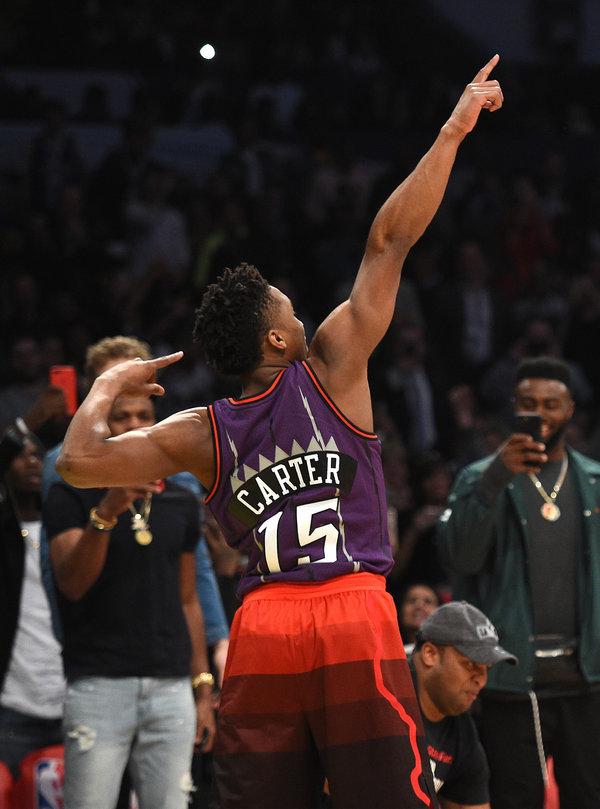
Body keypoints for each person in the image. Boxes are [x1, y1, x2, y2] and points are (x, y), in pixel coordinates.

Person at [56, 56, 504, 809]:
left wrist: (104, 386)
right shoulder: (332, 361)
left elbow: (77, 461)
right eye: (285, 306)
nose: (297, 309)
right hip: (353, 610)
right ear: (274, 342)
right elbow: (389, 240)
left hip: (263, 623)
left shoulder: (202, 431)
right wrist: (454, 131)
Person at [437, 356, 600, 808]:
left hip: (588, 676)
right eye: (529, 403)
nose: (541, 414)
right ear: (514, 407)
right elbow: (458, 556)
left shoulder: (594, 482)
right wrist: (495, 479)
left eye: (552, 404)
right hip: (514, 678)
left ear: (571, 410)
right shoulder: (480, 477)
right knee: (515, 799)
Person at [45, 388, 217, 809]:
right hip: (99, 683)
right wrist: (107, 511)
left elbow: (188, 599)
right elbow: (72, 583)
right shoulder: (69, 493)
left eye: (144, 415)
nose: (135, 426)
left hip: (171, 685)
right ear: (102, 426)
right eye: (122, 417)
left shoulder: (180, 499)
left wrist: (202, 687)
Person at [40, 335, 230, 686]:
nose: (126, 391)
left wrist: (218, 640)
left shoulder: (179, 469)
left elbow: (195, 571)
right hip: (95, 659)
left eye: (133, 379)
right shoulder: (61, 465)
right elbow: (56, 574)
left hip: (165, 659)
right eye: (114, 383)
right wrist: (70, 649)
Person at [0, 424, 64, 778]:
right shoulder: (5, 530)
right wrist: (30, 420)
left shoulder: (68, 529)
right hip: (13, 707)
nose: (33, 463)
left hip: (70, 699)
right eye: (21, 455)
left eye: (38, 455)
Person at [411, 601, 517, 809]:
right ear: (430, 654)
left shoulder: (462, 733)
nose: (482, 680)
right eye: (470, 664)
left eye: (486, 668)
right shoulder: (385, 702)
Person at [398, 583, 440, 654]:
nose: (419, 605)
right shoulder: (387, 651)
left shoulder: (446, 656)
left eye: (427, 601)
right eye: (412, 600)